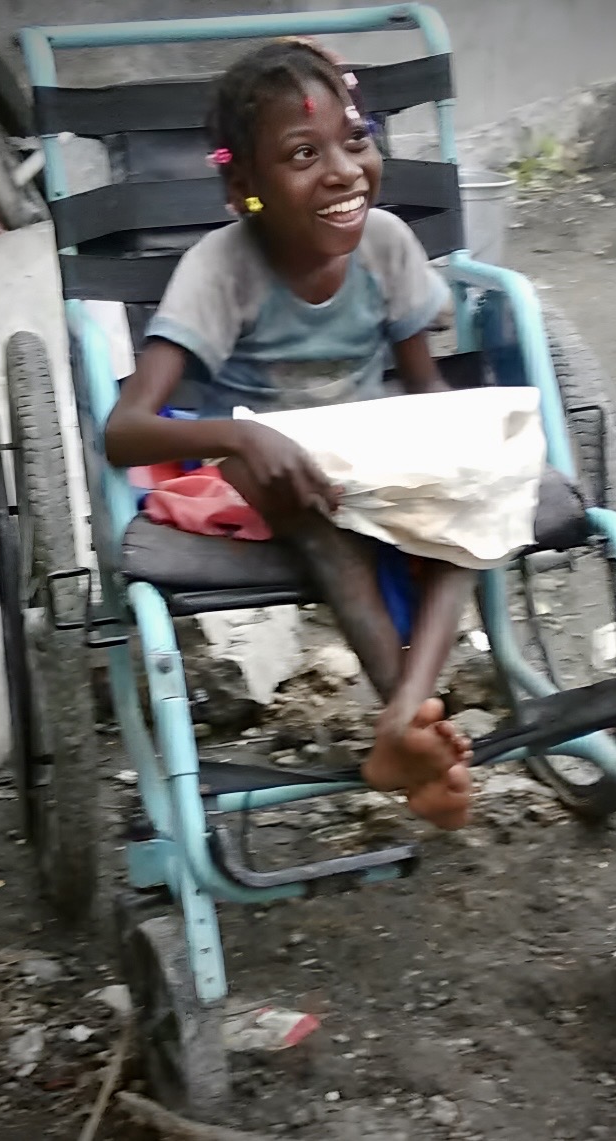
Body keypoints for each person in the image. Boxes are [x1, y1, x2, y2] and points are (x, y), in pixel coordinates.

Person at [105, 39, 476, 829]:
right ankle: (404, 712)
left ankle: (404, 717)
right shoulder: (220, 270)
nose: (344, 170)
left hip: (375, 456)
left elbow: (425, 387)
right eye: (304, 153)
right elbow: (126, 430)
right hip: (255, 472)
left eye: (355, 140)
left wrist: (463, 449)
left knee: (476, 495)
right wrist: (241, 440)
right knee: (304, 488)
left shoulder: (388, 244)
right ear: (243, 187)